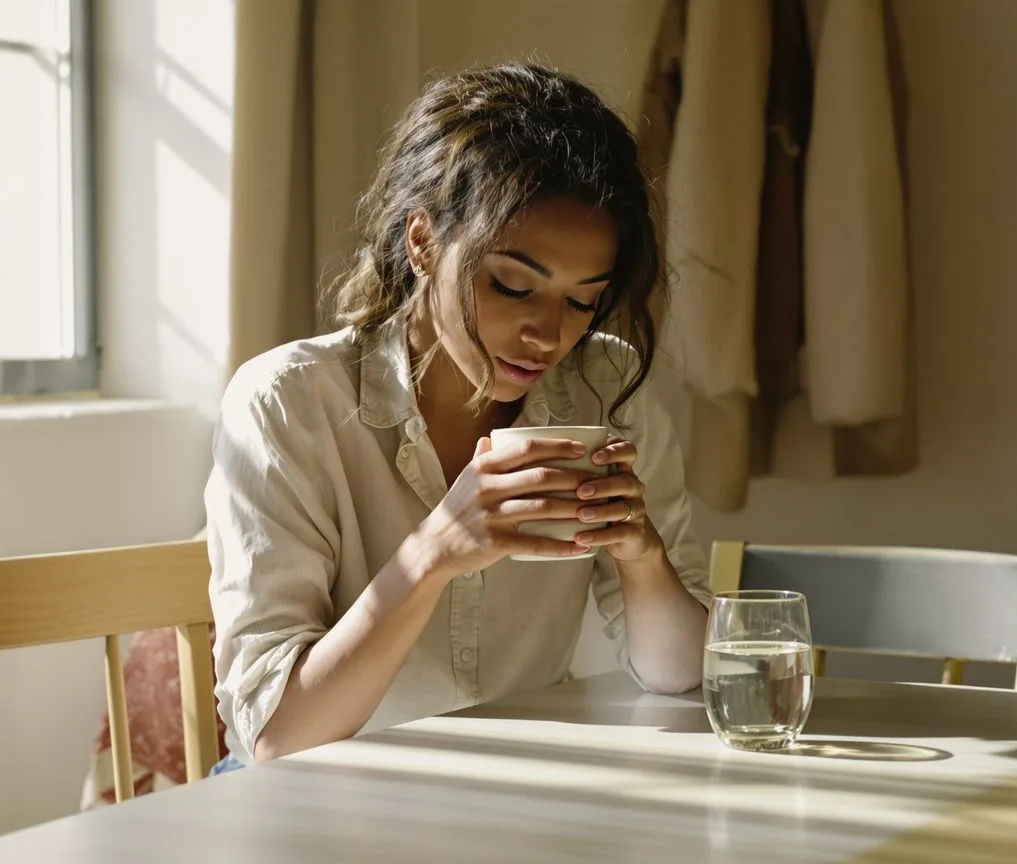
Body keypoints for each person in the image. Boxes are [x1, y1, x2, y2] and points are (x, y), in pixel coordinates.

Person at [206, 64, 711, 772]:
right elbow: (276, 736)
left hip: (504, 796)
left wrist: (642, 556)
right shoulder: (287, 404)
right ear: (422, 242)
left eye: (581, 300)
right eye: (512, 285)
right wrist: (435, 551)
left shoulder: (607, 388)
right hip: (311, 802)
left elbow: (683, 675)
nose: (548, 335)